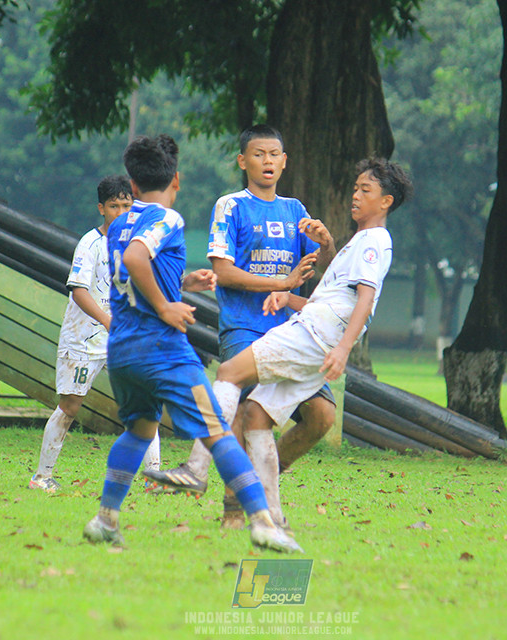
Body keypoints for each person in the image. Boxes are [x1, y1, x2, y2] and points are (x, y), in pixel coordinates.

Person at [146, 157, 412, 531]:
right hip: (312, 332)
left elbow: (365, 301)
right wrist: (289, 298)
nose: (355, 195)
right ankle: (272, 518)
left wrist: (342, 349)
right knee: (256, 416)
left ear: (386, 201)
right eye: (355, 188)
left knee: (229, 373)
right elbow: (335, 300)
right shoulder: (360, 241)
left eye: (365, 190)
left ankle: (196, 468)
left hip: (312, 336)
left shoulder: (374, 241)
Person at [81, 134, 301, 553]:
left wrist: (180, 284)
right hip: (162, 351)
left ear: (132, 183)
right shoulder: (167, 219)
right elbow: (136, 260)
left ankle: (105, 519)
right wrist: (167, 306)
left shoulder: (119, 224)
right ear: (176, 180)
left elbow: (129, 275)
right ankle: (262, 522)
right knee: (218, 430)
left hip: (123, 350)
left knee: (139, 430)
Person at [145, 124, 336, 530]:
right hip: (244, 327)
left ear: (284, 162)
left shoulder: (296, 211)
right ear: (242, 161)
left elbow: (324, 271)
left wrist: (327, 244)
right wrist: (282, 282)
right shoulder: (230, 206)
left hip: (293, 330)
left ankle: (259, 479)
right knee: (240, 411)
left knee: (321, 415)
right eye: (258, 154)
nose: (267, 161)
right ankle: (234, 508)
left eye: (274, 154)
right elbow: (224, 272)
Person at [29, 175, 161, 493]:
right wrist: (106, 320)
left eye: (127, 205)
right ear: (101, 208)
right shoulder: (90, 244)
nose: (121, 212)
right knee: (70, 406)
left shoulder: (139, 244)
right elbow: (78, 290)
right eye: (114, 206)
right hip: (84, 339)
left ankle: (154, 478)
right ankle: (41, 476)